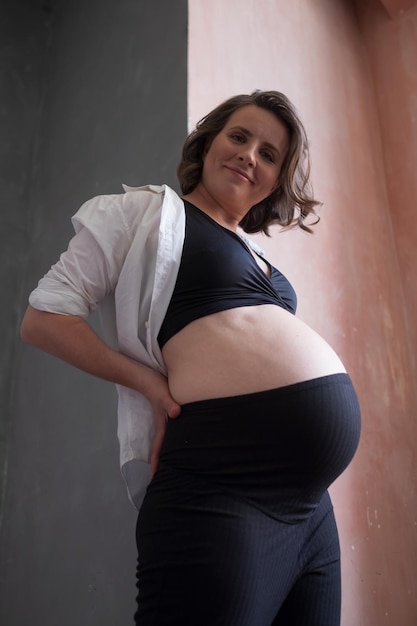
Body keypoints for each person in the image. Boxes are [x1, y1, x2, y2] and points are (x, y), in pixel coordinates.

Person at [21, 90, 361, 626]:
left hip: (312, 512)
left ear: (276, 181)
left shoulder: (259, 257)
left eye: (269, 154)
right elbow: (44, 317)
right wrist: (148, 384)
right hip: (222, 488)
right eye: (239, 137)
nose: (250, 154)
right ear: (209, 142)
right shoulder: (144, 214)